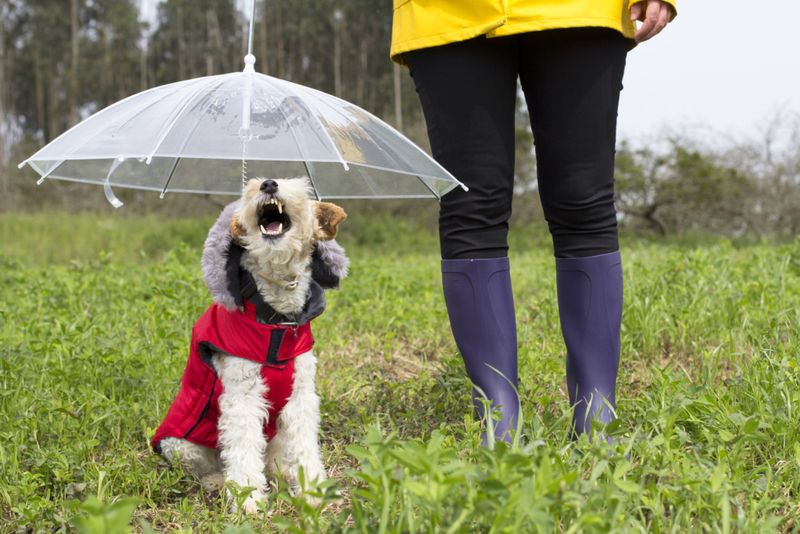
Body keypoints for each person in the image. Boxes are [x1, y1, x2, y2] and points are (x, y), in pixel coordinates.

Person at [391, 0, 676, 444]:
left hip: (581, 10)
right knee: (472, 205)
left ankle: (597, 412)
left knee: (585, 202)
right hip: (448, 11)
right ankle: (497, 417)